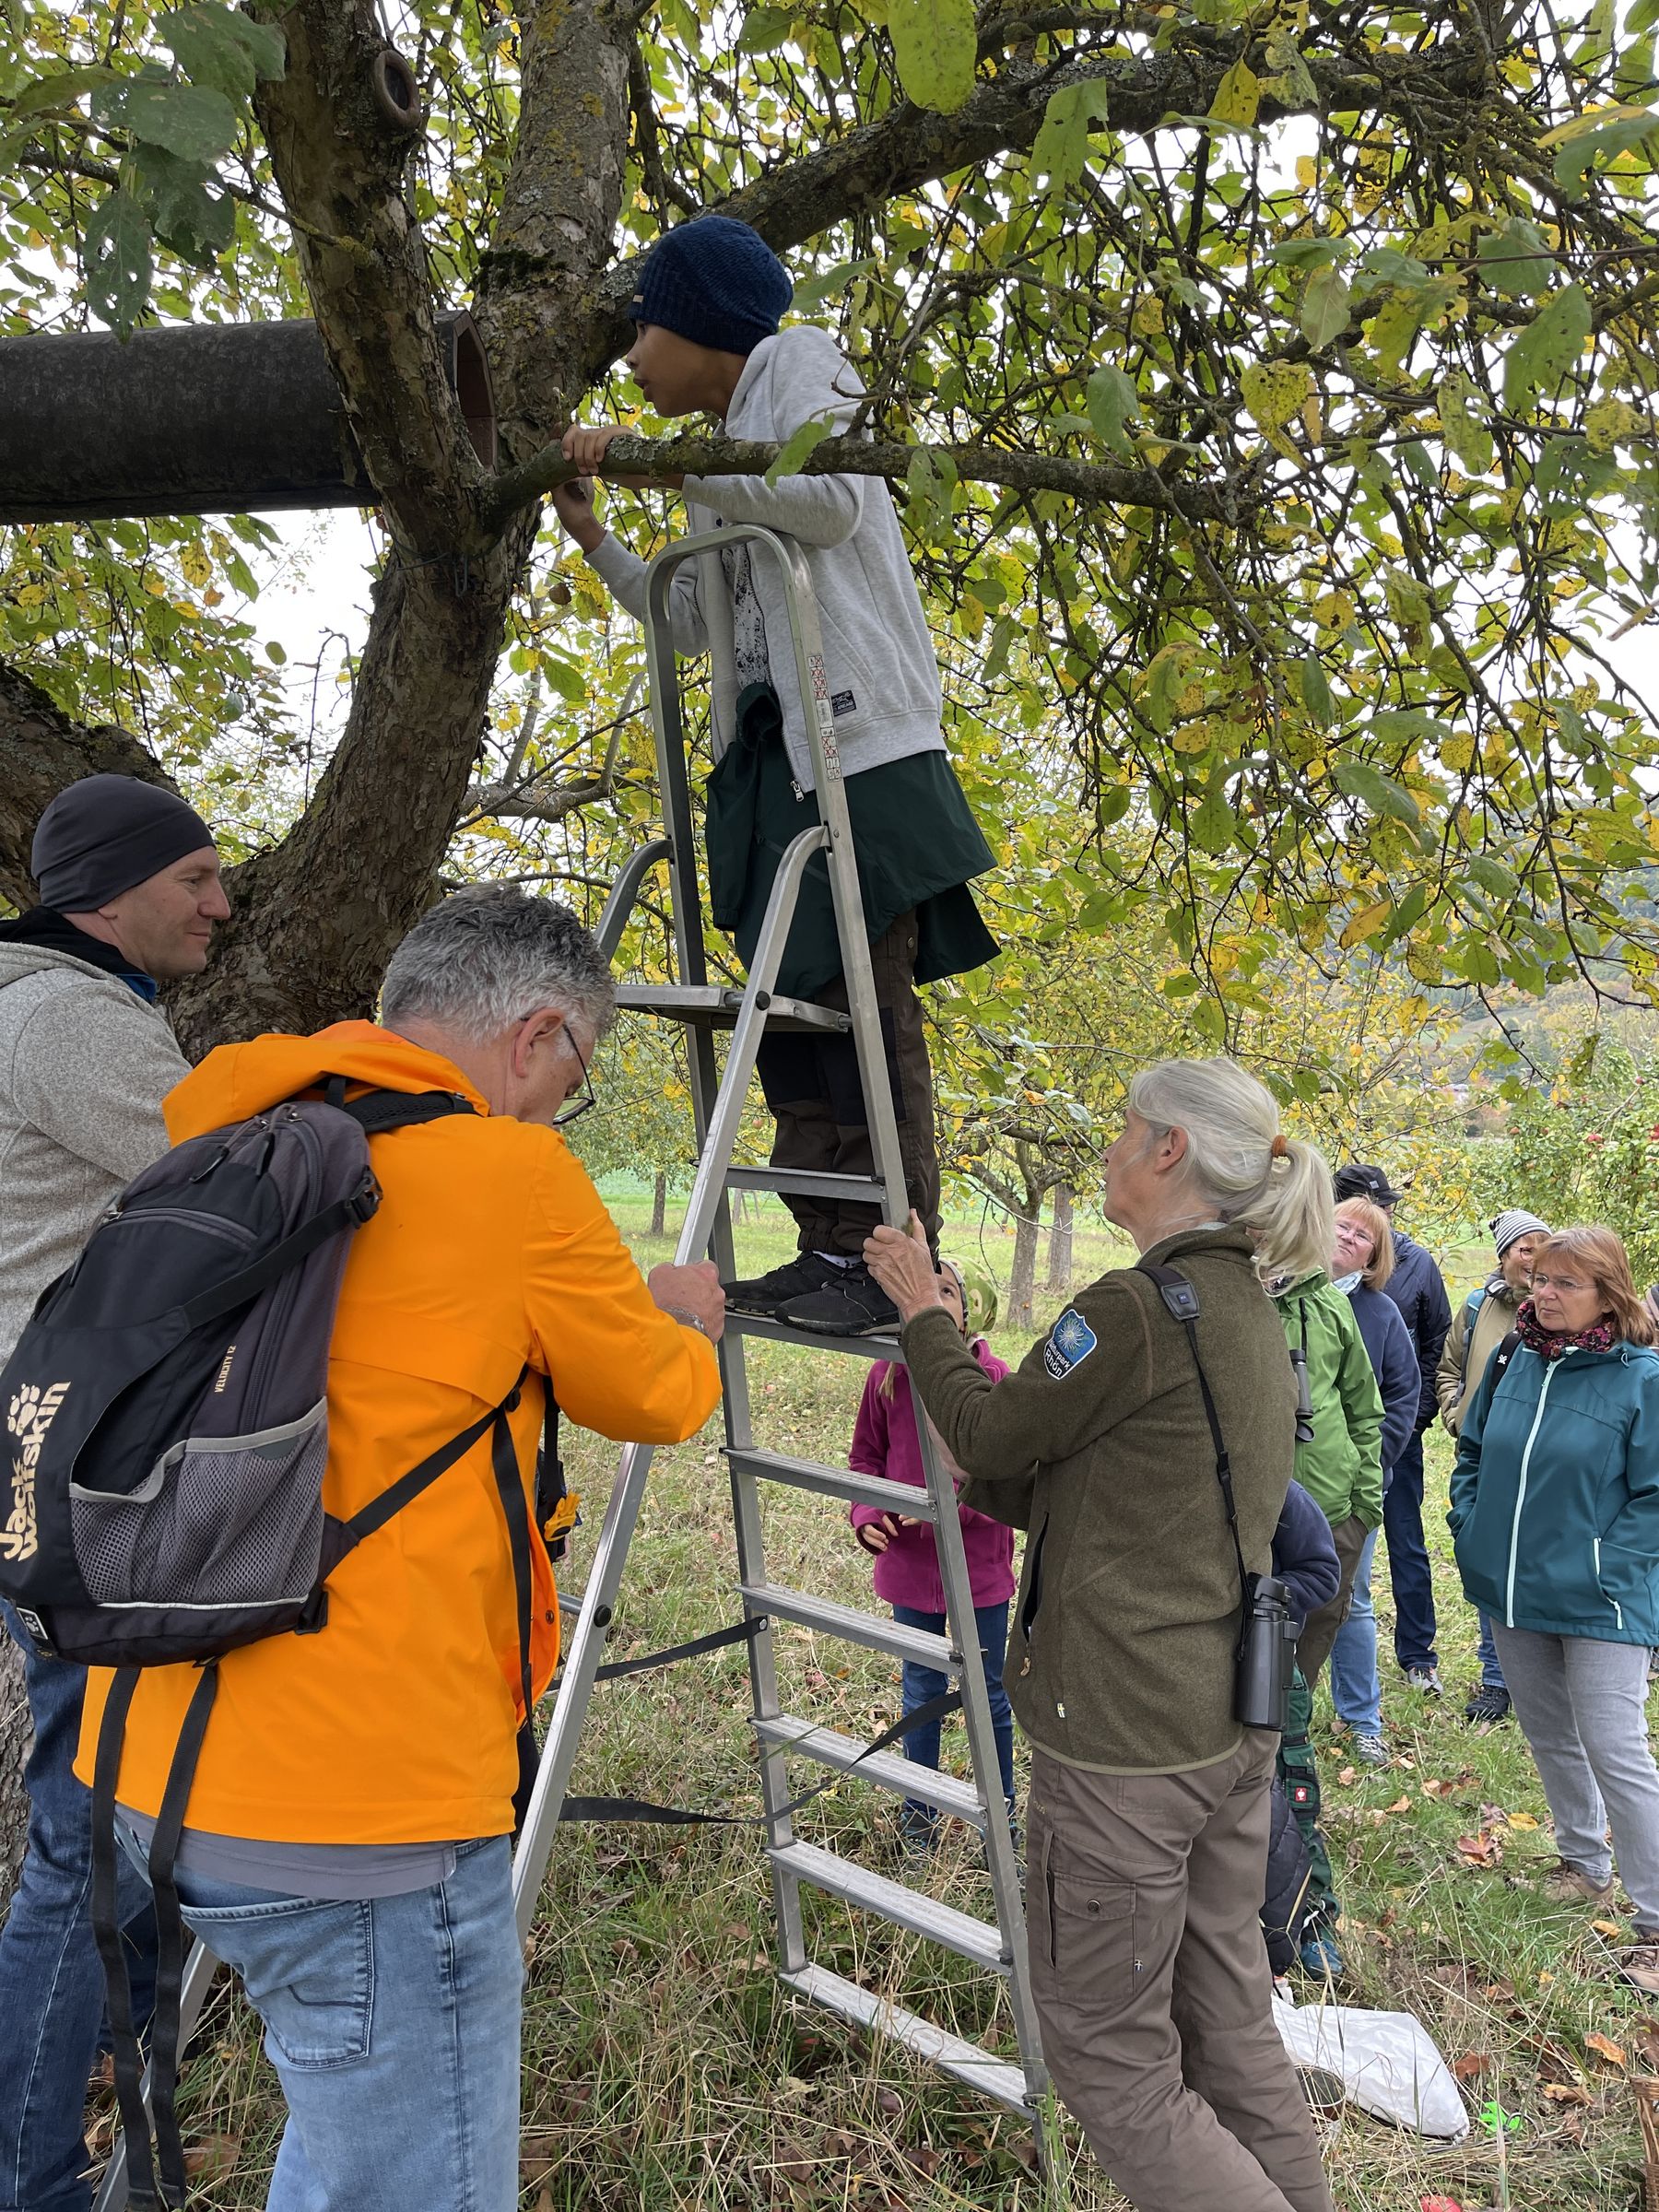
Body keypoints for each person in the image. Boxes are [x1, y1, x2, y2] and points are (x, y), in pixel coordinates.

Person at [77, 887, 724, 2212]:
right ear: (539, 1035)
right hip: (358, 1803)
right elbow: (655, 1396)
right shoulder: (511, 1175)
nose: (560, 1108)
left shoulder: (227, 1131)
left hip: (148, 1754)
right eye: (577, 1077)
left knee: (355, 2124)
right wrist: (689, 1317)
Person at [865, 1055, 1337, 2212]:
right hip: (1225, 1728)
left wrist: (925, 1312)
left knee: (1107, 2056)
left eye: (1128, 1128)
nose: (1112, 1148)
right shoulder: (1244, 1312)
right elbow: (1135, 1497)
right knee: (1226, 2015)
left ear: (1170, 1149)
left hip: (1124, 1740)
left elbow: (986, 1418)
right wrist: (998, 1478)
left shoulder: (1132, 1309)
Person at [551, 215, 998, 1338]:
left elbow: (835, 499)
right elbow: (696, 622)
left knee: (861, 997)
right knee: (794, 1012)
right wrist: (601, 537)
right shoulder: (718, 447)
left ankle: (896, 1254)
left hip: (856, 749)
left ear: (701, 321)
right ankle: (826, 1243)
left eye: (643, 327)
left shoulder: (795, 363)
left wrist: (677, 460)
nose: (635, 356)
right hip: (770, 762)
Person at [0, 772, 229, 2212]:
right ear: (110, 890)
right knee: (88, 1842)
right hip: (79, 1470)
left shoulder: (53, 1003)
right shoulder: (66, 1021)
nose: (220, 900)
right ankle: (32, 2181)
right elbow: (245, 1171)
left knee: (122, 1817)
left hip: (54, 1451)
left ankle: (124, 2135)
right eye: (195, 876)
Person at [1451, 1226, 1659, 1995]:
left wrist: (1610, 1564)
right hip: (1512, 1587)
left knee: (1615, 1744)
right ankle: (1584, 1863)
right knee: (1548, 1733)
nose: (1542, 1294)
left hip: (1602, 1597)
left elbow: (1655, 1495)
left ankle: (1656, 1919)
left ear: (1609, 1291)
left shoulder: (1642, 1377)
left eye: (1564, 1284)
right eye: (1539, 1280)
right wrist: (1470, 1530)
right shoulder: (1516, 1361)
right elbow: (1472, 1451)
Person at [848, 1257, 1015, 1851]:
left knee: (987, 1690)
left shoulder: (993, 1382)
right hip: (912, 1573)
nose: (934, 1299)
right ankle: (919, 1817)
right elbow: (864, 1458)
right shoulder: (886, 1378)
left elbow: (1003, 1473)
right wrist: (870, 1511)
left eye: (947, 1290)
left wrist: (940, 1509)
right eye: (922, 1289)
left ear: (971, 1311)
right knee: (920, 1687)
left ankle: (1002, 1816)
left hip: (979, 1573)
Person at [1267, 1225, 1382, 1978]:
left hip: (1318, 1529)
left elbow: (1366, 1407)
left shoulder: (1331, 1307)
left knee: (1288, 1722)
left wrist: (1363, 1504)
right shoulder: (1212, 1300)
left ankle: (1308, 1912)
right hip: (1228, 1547)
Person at [1333, 1163, 1452, 1694]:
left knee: (1406, 1541)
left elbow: (1434, 1345)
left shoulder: (1415, 1263)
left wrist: (1411, 1422)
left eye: (1381, 1207)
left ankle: (1417, 1653)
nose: (1373, 1218)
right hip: (1328, 1445)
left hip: (1393, 1437)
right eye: (1359, 1209)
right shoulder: (1304, 1273)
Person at [1437, 1206, 1551, 1724]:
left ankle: (1542, 1676)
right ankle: (1496, 1680)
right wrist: (1457, 1414)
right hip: (1483, 1455)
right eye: (1525, 1248)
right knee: (1490, 1561)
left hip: (1541, 1459)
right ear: (1504, 1255)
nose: (1534, 1259)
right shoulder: (1478, 1305)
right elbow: (1449, 1366)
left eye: (1541, 1248)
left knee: (1535, 1562)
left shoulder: (1560, 1311)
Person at [1327, 1199, 1421, 1769]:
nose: (1349, 1237)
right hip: (1279, 1482)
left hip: (1353, 1490)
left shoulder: (1380, 1313)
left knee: (1351, 1601)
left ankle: (1362, 1720)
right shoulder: (1278, 1295)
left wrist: (1369, 1467)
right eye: (1342, 1224)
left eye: (1364, 1235)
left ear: (1375, 1255)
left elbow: (1401, 1397)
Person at [1263, 1485, 1340, 1975]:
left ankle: (1313, 1918)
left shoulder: (1279, 1491)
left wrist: (1260, 1597)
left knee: (1291, 1795)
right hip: (1180, 1675)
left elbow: (1322, 1572)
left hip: (1267, 1666)